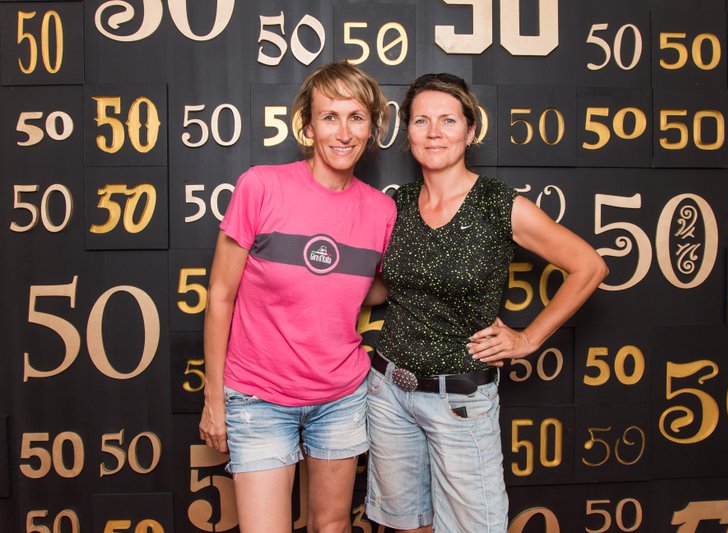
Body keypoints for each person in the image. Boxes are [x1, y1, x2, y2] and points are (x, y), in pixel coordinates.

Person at [365, 73, 608, 532]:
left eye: (448, 120)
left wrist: (528, 339)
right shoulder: (398, 203)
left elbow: (589, 266)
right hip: (388, 392)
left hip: (459, 401)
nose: (434, 132)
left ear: (470, 130)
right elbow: (383, 288)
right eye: (421, 120)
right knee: (405, 526)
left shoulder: (497, 203)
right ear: (407, 131)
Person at [198, 62, 395, 533]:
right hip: (258, 397)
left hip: (341, 396)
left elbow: (374, 284)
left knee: (332, 526)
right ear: (307, 126)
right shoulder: (260, 187)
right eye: (329, 117)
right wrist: (214, 398)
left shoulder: (382, 210)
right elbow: (220, 295)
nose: (343, 133)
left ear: (372, 128)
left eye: (356, 117)